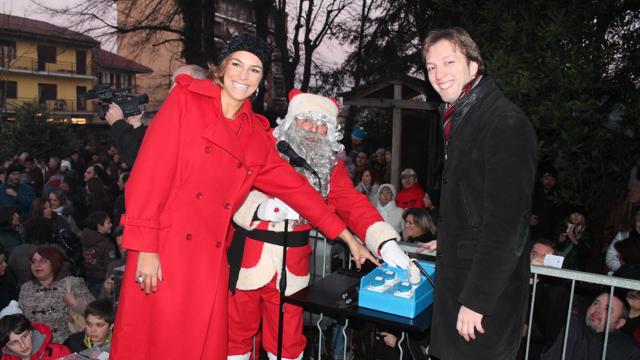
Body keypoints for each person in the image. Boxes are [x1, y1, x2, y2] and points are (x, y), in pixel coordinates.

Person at [110, 34, 373, 360]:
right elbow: (149, 175)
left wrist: (347, 236)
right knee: (157, 344)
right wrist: (146, 247)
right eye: (237, 64)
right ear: (221, 68)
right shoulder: (185, 102)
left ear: (261, 81)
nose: (243, 76)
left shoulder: (254, 135)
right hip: (163, 249)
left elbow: (298, 190)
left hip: (209, 259)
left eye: (254, 70)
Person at [226, 89, 409, 360]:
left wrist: (385, 242)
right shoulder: (263, 145)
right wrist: (260, 208)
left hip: (293, 265)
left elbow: (353, 203)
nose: (315, 130)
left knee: (287, 341)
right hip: (249, 256)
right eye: (307, 122)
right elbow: (230, 185)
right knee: (237, 338)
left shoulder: (328, 167)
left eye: (323, 125)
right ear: (291, 122)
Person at [422, 27, 537, 360]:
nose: (439, 74)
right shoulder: (465, 116)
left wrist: (477, 300)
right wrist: (451, 235)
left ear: (474, 65)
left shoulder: (504, 123)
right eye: (431, 67)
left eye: (448, 62)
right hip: (462, 283)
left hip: (483, 302)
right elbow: (475, 200)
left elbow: (508, 224)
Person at [18, 245, 94, 343]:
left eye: (43, 261)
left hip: (67, 345)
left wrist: (75, 304)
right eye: (33, 261)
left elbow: (96, 312)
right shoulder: (26, 288)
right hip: (36, 348)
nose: (37, 265)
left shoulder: (72, 283)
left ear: (54, 262)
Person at [540, 292, 640, 360]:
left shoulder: (629, 351)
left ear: (619, 323)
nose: (597, 310)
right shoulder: (569, 324)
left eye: (608, 309)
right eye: (596, 303)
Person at [0, 313, 72, 360]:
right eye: (14, 342)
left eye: (24, 336)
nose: (23, 345)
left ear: (30, 332)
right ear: (6, 346)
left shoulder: (59, 353)